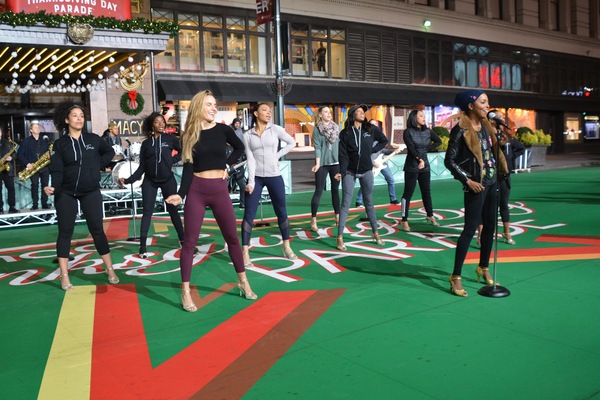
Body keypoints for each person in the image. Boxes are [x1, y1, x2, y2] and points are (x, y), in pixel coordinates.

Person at [165, 90, 257, 312]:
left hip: (219, 190)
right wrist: (181, 194)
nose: (214, 108)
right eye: (209, 104)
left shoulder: (224, 130)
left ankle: (243, 281)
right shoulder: (189, 135)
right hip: (197, 190)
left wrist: (227, 165)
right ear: (198, 107)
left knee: (233, 239)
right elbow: (188, 167)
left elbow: (240, 148)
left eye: (215, 104)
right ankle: (186, 291)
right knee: (189, 243)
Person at [43, 101, 119, 290]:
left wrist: (96, 165)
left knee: (97, 230)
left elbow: (109, 152)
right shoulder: (60, 144)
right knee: (65, 232)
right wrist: (54, 187)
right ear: (67, 120)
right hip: (66, 192)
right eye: (75, 115)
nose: (79, 119)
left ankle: (109, 269)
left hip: (91, 191)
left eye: (82, 116)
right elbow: (57, 169)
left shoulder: (93, 139)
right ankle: (64, 276)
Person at [444, 90, 507, 297]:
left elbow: (490, 154)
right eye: (483, 102)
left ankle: (483, 266)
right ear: (471, 106)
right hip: (476, 185)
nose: (487, 106)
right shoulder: (460, 129)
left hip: (491, 182)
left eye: (488, 102)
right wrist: (467, 180)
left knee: (489, 227)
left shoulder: (488, 126)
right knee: (470, 229)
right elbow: (449, 161)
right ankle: (456, 276)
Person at [118, 112, 186, 258]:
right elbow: (142, 167)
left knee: (173, 211)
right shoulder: (146, 144)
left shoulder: (170, 139)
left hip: (168, 180)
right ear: (151, 125)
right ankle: (142, 246)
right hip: (150, 181)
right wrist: (128, 180)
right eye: (157, 122)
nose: (161, 124)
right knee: (147, 213)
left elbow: (183, 151)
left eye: (162, 121)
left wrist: (172, 161)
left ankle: (183, 240)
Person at [242, 103, 297, 265]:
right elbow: (250, 159)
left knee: (281, 212)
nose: (268, 113)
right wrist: (251, 182)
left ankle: (286, 246)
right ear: (256, 114)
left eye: (270, 111)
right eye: (264, 110)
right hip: (257, 178)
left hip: (274, 177)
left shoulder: (276, 129)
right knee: (249, 215)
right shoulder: (248, 135)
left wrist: (277, 156)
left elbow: (291, 143)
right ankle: (245, 251)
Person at [335, 104, 387, 251]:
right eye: (358, 112)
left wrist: (372, 150)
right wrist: (342, 171)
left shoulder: (370, 129)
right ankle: (339, 237)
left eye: (363, 112)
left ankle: (375, 233)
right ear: (352, 115)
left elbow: (384, 140)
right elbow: (343, 155)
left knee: (369, 203)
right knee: (345, 203)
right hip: (350, 172)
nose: (362, 113)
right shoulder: (345, 133)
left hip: (366, 171)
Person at [476, 111, 525, 246]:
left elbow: (521, 148)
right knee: (485, 205)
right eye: (499, 117)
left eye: (503, 117)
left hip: (505, 175)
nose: (502, 119)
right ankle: (480, 235)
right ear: (491, 120)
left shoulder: (506, 135)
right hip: (490, 175)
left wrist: (510, 157)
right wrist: (497, 146)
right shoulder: (486, 134)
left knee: (504, 204)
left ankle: (506, 232)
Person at [399, 110, 442, 231]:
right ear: (414, 118)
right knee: (408, 194)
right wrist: (419, 159)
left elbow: (438, 141)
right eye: (421, 116)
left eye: (424, 116)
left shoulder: (428, 131)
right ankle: (404, 219)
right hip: (412, 167)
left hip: (425, 167)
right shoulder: (408, 132)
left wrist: (427, 149)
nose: (424, 118)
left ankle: (430, 214)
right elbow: (411, 149)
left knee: (426, 192)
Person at [355, 119, 400, 208]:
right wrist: (373, 164)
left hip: (382, 163)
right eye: (372, 125)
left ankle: (393, 199)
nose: (375, 127)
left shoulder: (379, 138)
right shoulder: (366, 139)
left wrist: (394, 151)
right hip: (371, 164)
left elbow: (382, 150)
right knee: (367, 183)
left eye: (376, 125)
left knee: (391, 180)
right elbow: (364, 154)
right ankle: (358, 201)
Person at [309, 105, 340, 232]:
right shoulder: (317, 130)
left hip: (336, 163)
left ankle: (338, 216)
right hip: (322, 164)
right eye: (325, 112)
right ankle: (313, 219)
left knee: (335, 191)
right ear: (320, 115)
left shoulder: (337, 128)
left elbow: (340, 146)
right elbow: (318, 148)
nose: (329, 114)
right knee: (319, 191)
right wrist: (317, 164)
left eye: (329, 112)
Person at [17, 121, 51, 210]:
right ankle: (35, 204)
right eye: (35, 127)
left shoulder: (44, 141)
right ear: (31, 130)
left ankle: (45, 203)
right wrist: (27, 163)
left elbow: (48, 153)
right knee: (34, 185)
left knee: (45, 185)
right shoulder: (26, 141)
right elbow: (20, 155)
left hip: (44, 167)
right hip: (33, 167)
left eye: (38, 127)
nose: (38, 128)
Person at [0, 125, 19, 214]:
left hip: (7, 169)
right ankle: (0, 208)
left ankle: (12, 207)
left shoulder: (8, 143)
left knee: (11, 188)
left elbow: (15, 154)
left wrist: (11, 158)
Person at [228, 118, 246, 209]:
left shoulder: (241, 133)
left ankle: (242, 203)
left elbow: (243, 146)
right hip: (229, 164)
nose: (237, 125)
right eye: (236, 123)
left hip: (238, 163)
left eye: (239, 123)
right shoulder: (229, 131)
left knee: (242, 185)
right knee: (225, 186)